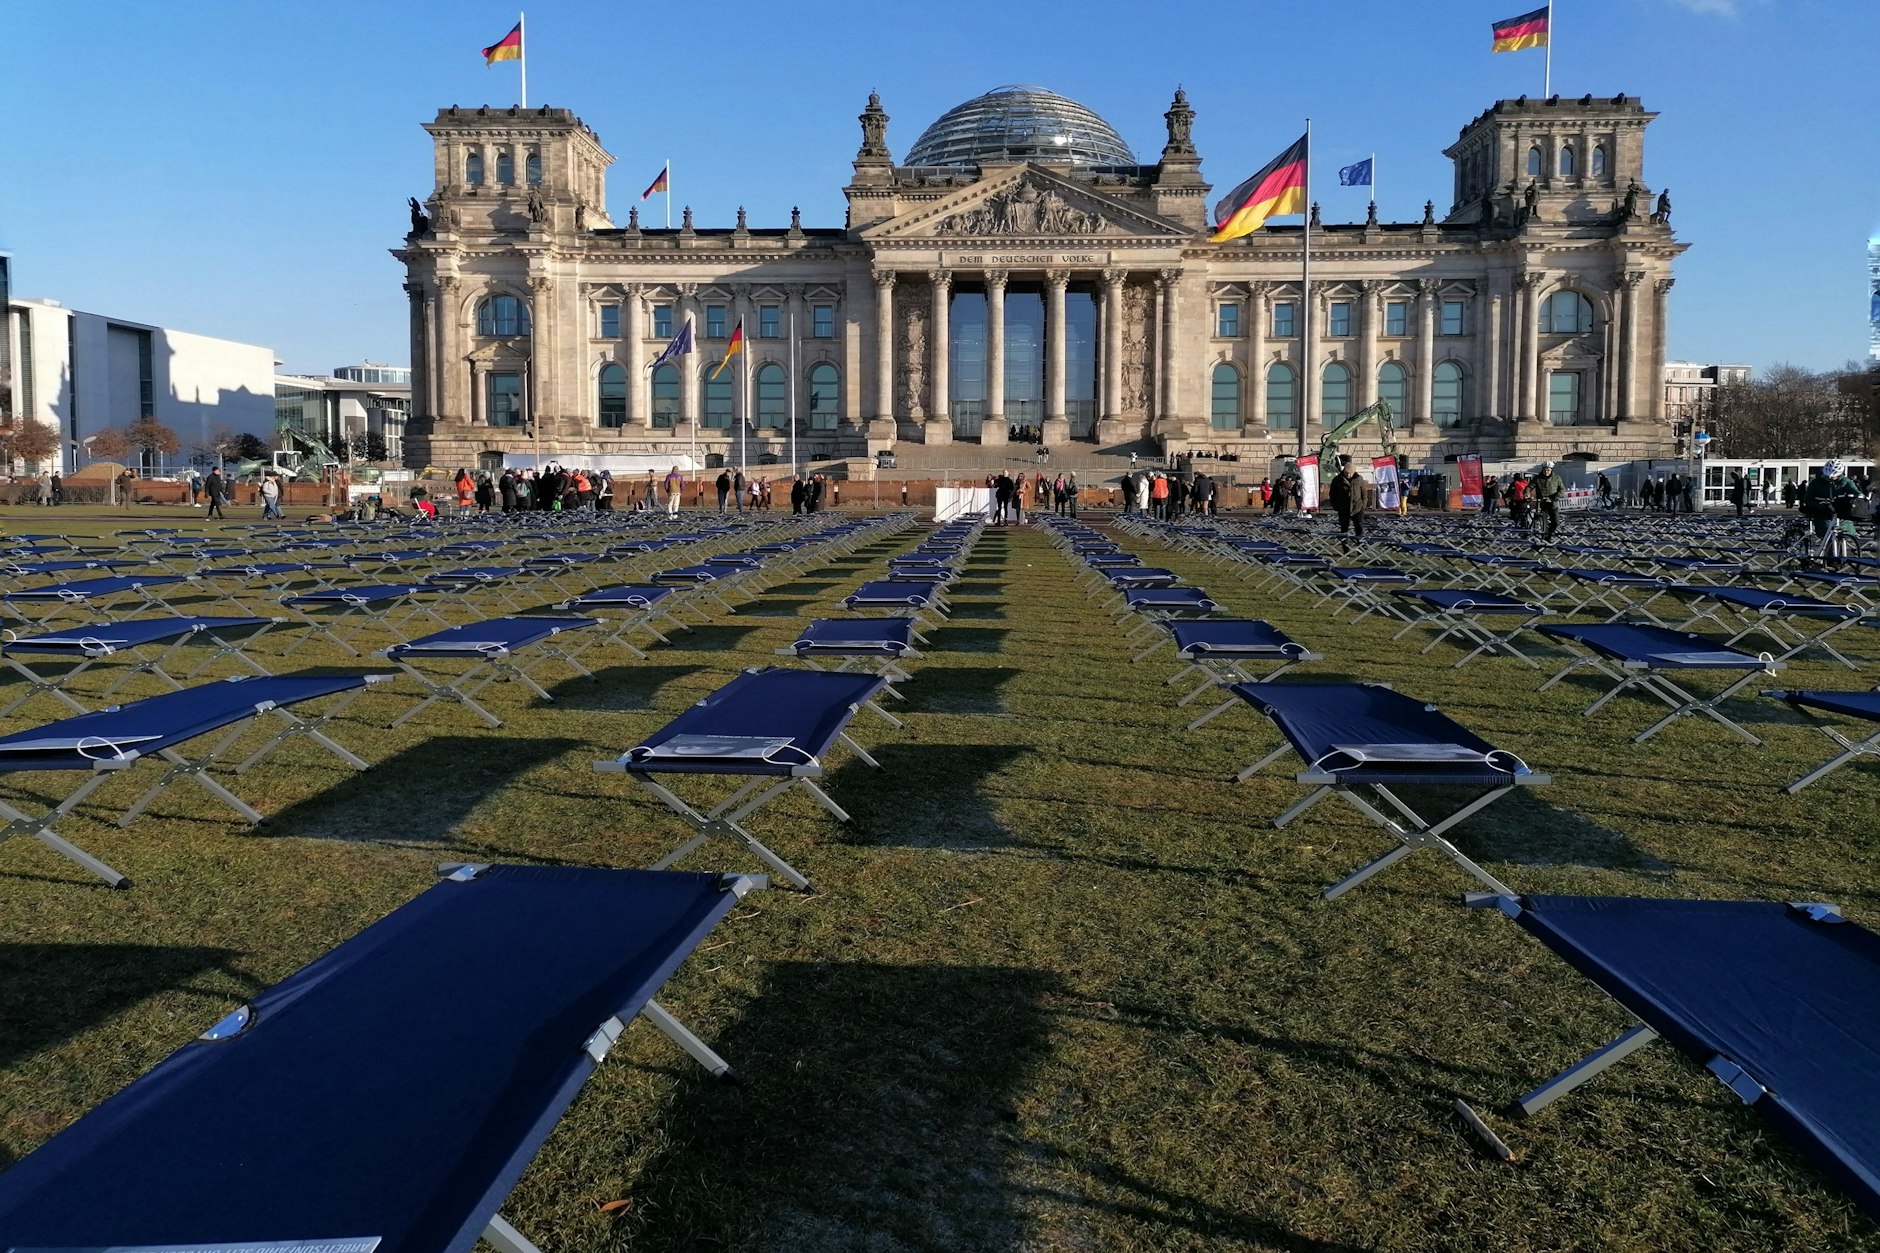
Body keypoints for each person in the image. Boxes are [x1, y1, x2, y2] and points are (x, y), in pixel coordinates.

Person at [1530, 460, 1564, 539]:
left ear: (1551, 470)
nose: (1546, 472)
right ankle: (1544, 537)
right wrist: (1527, 492)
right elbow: (1530, 486)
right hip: (1542, 503)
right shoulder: (1537, 478)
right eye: (1545, 470)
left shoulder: (1557, 478)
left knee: (1556, 522)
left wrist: (1557, 496)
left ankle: (1549, 534)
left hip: (1553, 503)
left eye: (1548, 470)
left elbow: (1562, 489)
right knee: (1543, 522)